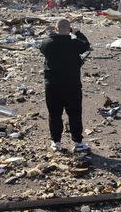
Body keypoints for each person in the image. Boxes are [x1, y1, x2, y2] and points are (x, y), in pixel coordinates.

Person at [39, 18, 91, 152]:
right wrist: (77, 33)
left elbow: (43, 46)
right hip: (72, 85)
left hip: (52, 85)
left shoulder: (48, 42)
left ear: (56, 29)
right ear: (69, 29)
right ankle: (77, 143)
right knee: (74, 114)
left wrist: (53, 33)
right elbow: (86, 45)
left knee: (54, 114)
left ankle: (56, 142)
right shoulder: (74, 43)